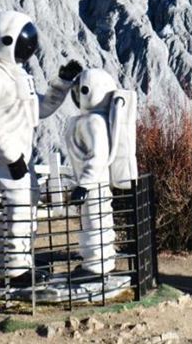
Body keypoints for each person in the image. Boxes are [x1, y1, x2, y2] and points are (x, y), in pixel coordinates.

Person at [0, 11, 82, 285]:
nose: (28, 45)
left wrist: (62, 84)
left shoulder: (16, 74)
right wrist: (10, 157)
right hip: (4, 152)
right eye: (23, 39)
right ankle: (13, 271)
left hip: (19, 152)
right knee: (18, 205)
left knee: (26, 204)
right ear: (7, 40)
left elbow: (40, 108)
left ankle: (17, 262)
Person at [64, 69, 119, 282]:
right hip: (93, 183)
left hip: (92, 184)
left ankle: (97, 266)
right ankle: (98, 262)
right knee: (95, 220)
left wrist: (84, 184)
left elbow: (98, 156)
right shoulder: (93, 120)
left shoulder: (93, 122)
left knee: (96, 221)